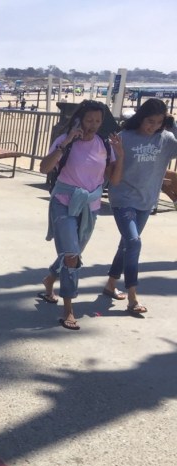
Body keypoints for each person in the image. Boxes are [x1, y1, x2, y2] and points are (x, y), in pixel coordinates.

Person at [39, 100, 120, 331]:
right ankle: (68, 309)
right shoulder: (64, 142)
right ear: (78, 120)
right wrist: (66, 142)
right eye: (89, 120)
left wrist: (121, 156)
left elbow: (112, 180)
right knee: (73, 255)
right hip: (63, 202)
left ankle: (49, 279)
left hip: (90, 206)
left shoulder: (105, 144)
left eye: (97, 120)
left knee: (71, 253)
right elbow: (44, 169)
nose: (93, 125)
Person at [102, 98, 177, 316]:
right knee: (133, 242)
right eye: (149, 121)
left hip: (146, 201)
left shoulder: (167, 139)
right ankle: (132, 297)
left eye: (159, 122)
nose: (153, 126)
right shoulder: (124, 137)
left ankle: (110, 284)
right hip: (123, 198)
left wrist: (172, 126)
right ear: (141, 118)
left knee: (127, 244)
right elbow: (111, 168)